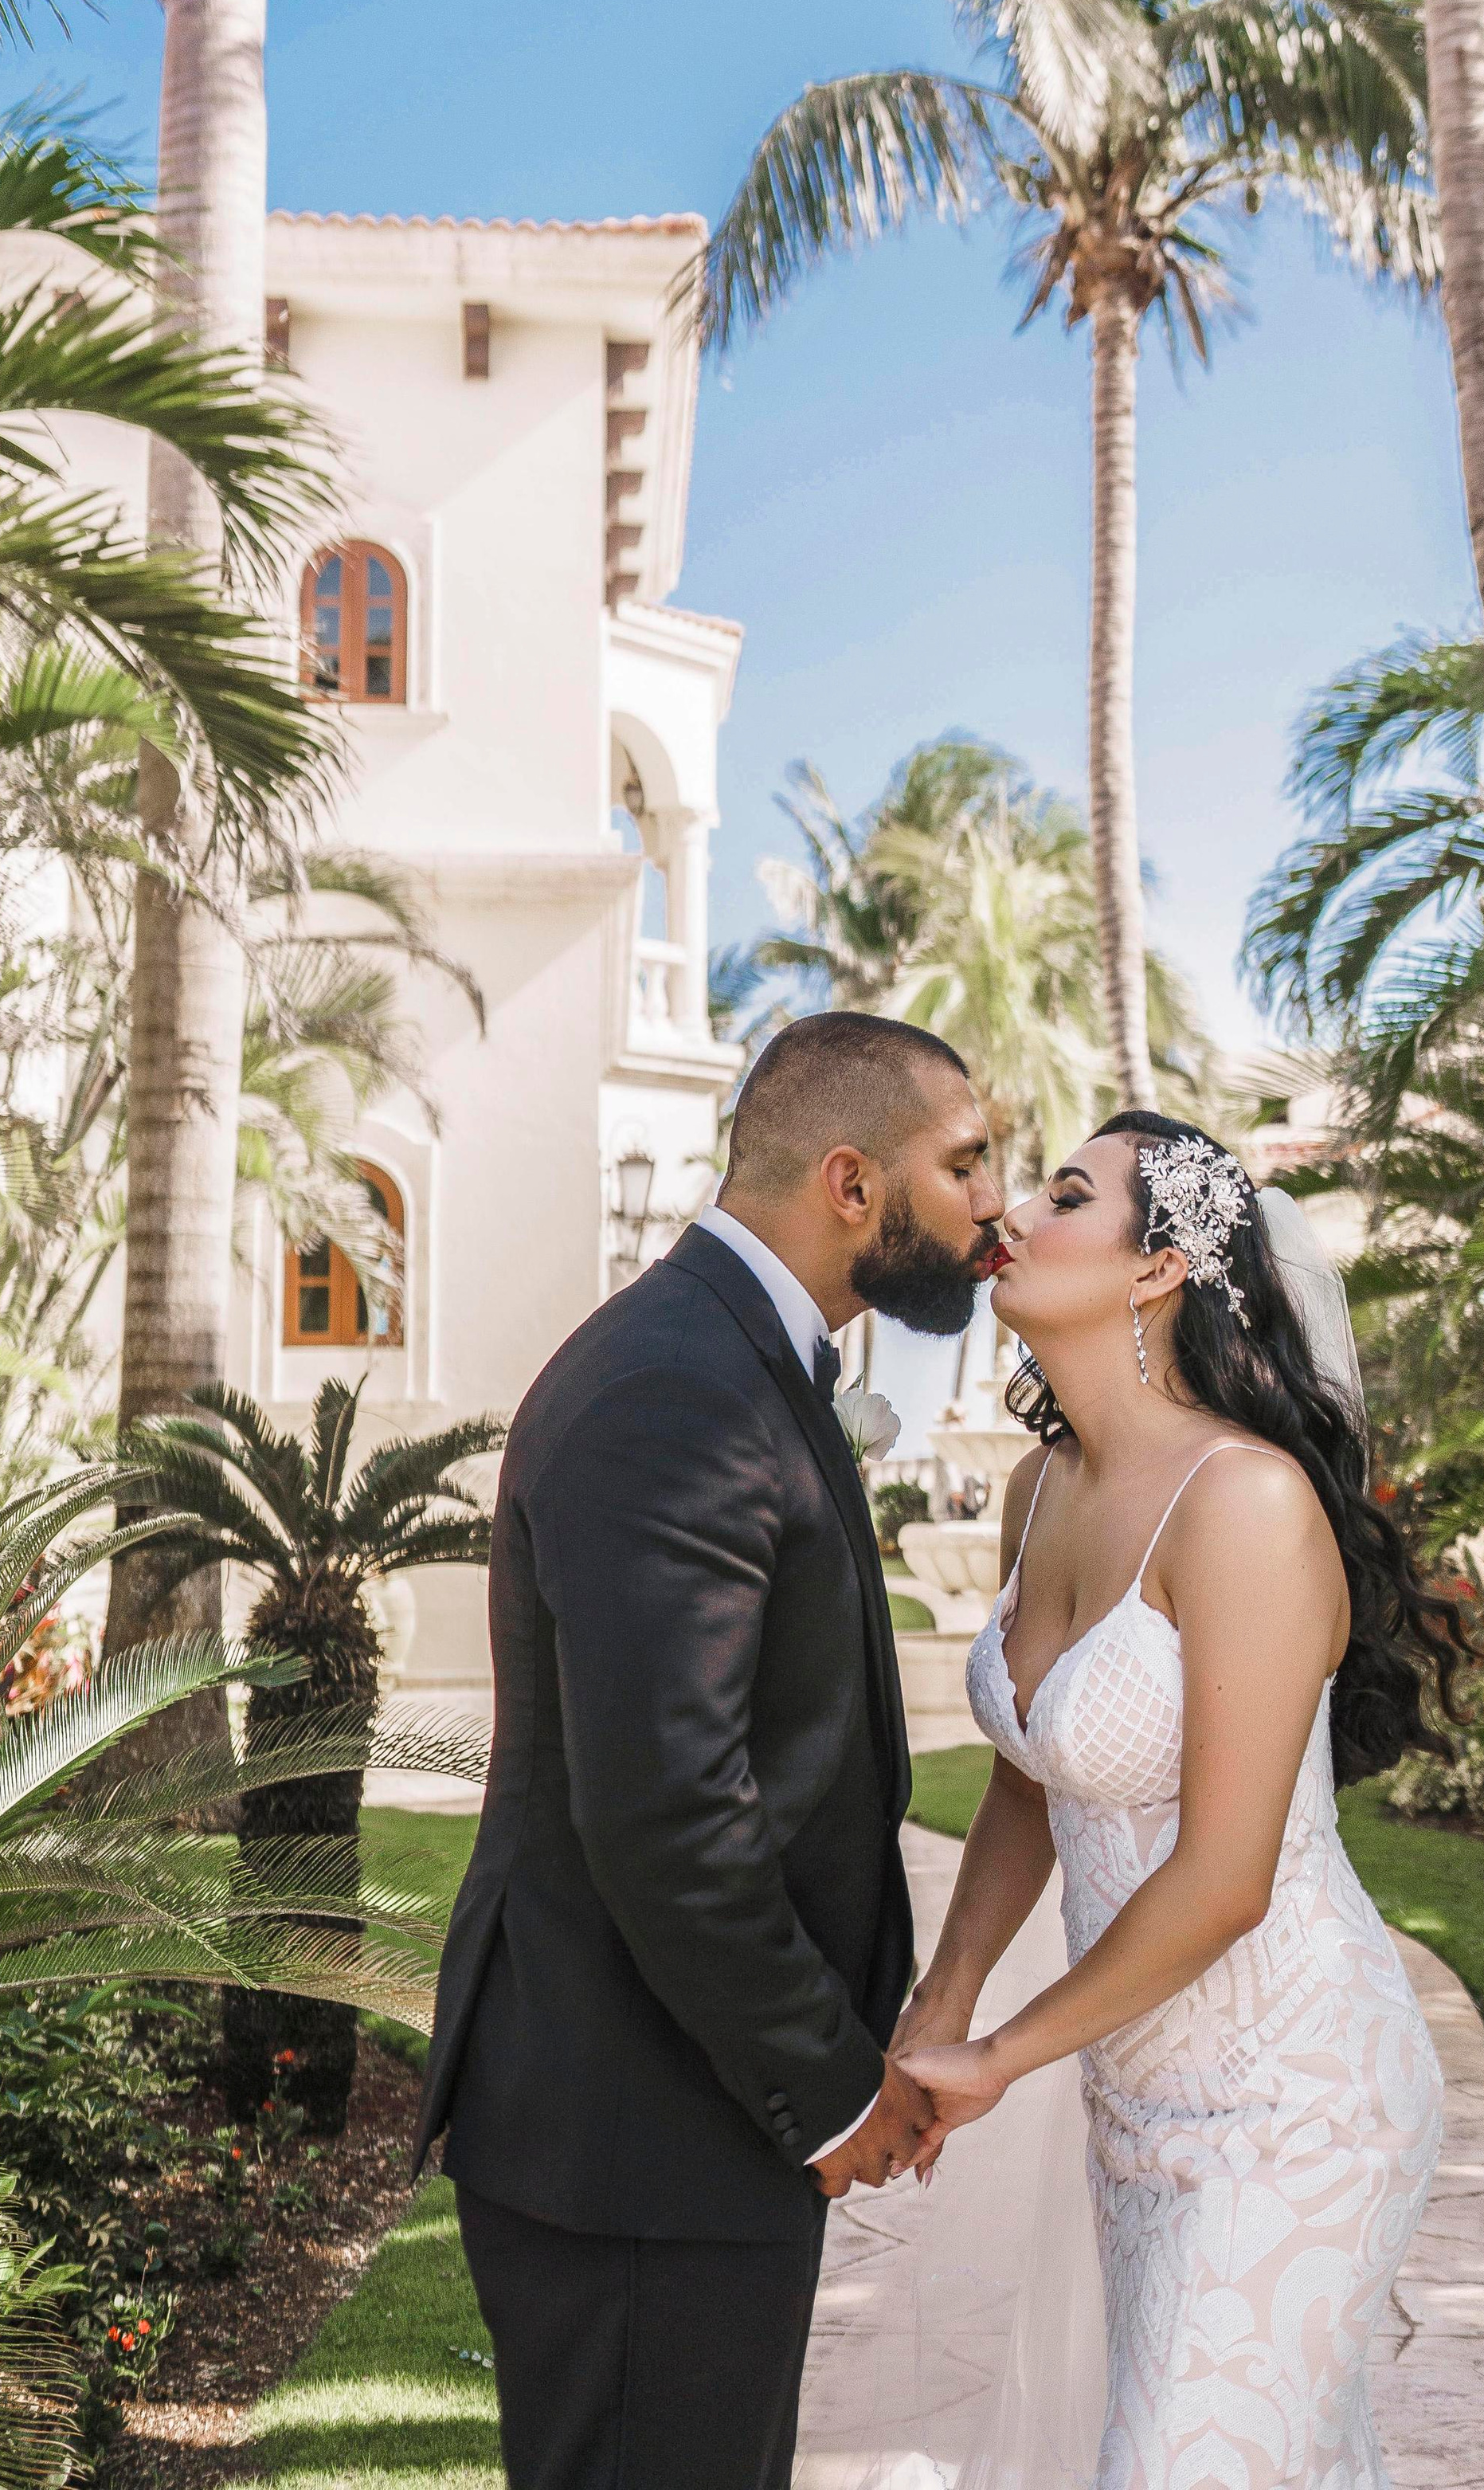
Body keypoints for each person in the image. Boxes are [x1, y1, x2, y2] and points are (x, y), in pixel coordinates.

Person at [415, 1013, 1006, 2490]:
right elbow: (671, 1811)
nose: (995, 1200)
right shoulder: (675, 1388)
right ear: (854, 1185)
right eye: (969, 1161)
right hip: (633, 2132)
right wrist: (834, 2088)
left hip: (685, 2121)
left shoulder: (736, 1361)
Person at [895, 1109, 1466, 2490]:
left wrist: (1001, 2057)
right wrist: (945, 1993)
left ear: (1158, 1269)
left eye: (1068, 1196)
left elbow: (1225, 1879)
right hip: (1137, 2099)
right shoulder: (1044, 1486)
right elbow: (1036, 1779)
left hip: (1302, 2103)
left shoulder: (1247, 1503)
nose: (1014, 1215)